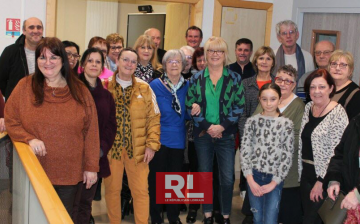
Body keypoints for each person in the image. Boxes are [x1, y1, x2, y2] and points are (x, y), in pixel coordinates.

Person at [4, 37, 100, 218]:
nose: (48, 63)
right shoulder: (24, 87)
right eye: (42, 58)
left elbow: (91, 132)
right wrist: (28, 138)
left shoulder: (80, 91)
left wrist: (91, 166)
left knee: (61, 218)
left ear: (63, 60)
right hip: (34, 171)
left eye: (53, 57)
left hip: (69, 174)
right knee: (32, 217)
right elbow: (11, 120)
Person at [186, 36, 245, 224]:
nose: (215, 54)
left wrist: (222, 126)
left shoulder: (234, 78)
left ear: (225, 54)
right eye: (211, 51)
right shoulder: (196, 78)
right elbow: (190, 105)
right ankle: (208, 214)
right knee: (204, 176)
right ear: (206, 54)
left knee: (227, 178)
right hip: (203, 135)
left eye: (219, 51)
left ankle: (225, 215)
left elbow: (239, 105)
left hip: (226, 135)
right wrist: (208, 127)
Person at [103, 47, 161, 224]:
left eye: (133, 61)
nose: (129, 64)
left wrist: (152, 145)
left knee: (141, 191)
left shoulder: (145, 88)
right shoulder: (105, 86)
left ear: (137, 65)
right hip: (111, 149)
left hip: (138, 149)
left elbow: (154, 117)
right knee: (112, 190)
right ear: (118, 61)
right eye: (125, 60)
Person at [252, 65, 305, 223]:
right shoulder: (268, 98)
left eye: (288, 81)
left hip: (285, 174)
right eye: (280, 79)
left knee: (277, 216)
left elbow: (296, 138)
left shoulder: (298, 106)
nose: (283, 83)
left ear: (294, 85)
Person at [72, 48, 117, 224]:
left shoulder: (106, 96)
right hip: (72, 156)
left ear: (102, 67)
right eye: (90, 61)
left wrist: (101, 149)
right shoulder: (72, 90)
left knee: (85, 203)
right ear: (83, 65)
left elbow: (111, 126)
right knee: (70, 202)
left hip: (95, 156)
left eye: (98, 62)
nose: (94, 65)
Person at [299, 69, 348, 224]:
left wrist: (321, 181)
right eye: (312, 87)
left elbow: (337, 152)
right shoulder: (308, 108)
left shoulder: (338, 113)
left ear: (331, 88)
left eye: (321, 87)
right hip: (305, 174)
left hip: (323, 179)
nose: (316, 91)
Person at [240, 83, 294, 224]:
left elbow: (286, 156)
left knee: (270, 219)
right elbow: (245, 152)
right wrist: (250, 180)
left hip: (274, 179)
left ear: (279, 99)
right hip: (254, 176)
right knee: (258, 218)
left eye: (273, 99)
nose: (268, 103)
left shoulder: (286, 124)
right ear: (259, 99)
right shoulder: (252, 122)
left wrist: (274, 182)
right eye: (264, 99)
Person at [149, 49, 191, 224]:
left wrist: (194, 109)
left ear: (183, 66)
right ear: (164, 65)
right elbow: (149, 113)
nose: (174, 64)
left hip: (178, 139)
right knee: (157, 181)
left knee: (175, 182)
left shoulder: (189, 86)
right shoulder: (154, 85)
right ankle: (156, 217)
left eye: (178, 61)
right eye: (170, 61)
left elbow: (188, 115)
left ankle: (174, 218)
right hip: (158, 139)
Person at [238, 46, 276, 223]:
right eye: (261, 58)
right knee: (252, 176)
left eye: (268, 59)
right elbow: (242, 114)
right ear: (256, 61)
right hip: (251, 139)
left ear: (273, 62)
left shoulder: (277, 85)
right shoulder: (246, 83)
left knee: (268, 176)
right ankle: (252, 212)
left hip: (272, 141)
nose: (264, 62)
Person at [326, 114, 360, 223]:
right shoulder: (356, 122)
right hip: (349, 200)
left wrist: (357, 194)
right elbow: (340, 154)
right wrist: (334, 179)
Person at [0, 17, 43, 100]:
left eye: (39, 27)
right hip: (17, 103)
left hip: (43, 102)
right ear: (24, 31)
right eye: (31, 27)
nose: (35, 31)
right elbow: (1, 79)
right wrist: (12, 95)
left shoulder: (50, 51)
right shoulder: (10, 51)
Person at [274, 20, 314, 88]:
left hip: (300, 97)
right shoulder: (272, 56)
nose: (288, 36)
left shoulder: (307, 57)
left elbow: (311, 81)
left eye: (291, 32)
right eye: (284, 33)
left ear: (297, 35)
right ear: (279, 38)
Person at [328, 50, 360, 120]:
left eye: (343, 65)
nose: (337, 68)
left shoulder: (356, 94)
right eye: (334, 64)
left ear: (350, 71)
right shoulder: (324, 88)